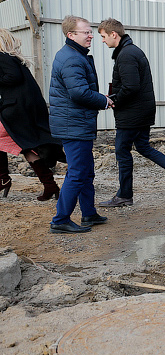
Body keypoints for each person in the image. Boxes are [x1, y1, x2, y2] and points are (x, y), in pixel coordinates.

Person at [95, 19, 165, 207]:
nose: (102, 40)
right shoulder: (130, 51)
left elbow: (131, 87)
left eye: (103, 36)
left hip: (132, 114)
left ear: (113, 34)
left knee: (122, 151)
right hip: (140, 111)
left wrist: (113, 100)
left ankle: (124, 195)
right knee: (143, 147)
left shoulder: (127, 54)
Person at [48, 15, 114, 233]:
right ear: (71, 35)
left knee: (85, 171)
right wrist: (103, 101)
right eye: (85, 32)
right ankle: (60, 220)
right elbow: (78, 93)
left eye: (90, 31)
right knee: (77, 172)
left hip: (76, 123)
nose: (90, 35)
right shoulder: (72, 58)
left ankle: (88, 214)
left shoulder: (74, 55)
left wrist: (98, 97)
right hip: (73, 125)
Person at [0, 29, 64, 201]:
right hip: (21, 110)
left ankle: (3, 178)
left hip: (14, 110)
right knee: (26, 147)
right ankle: (50, 185)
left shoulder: (3, 57)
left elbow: (12, 78)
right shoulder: (15, 60)